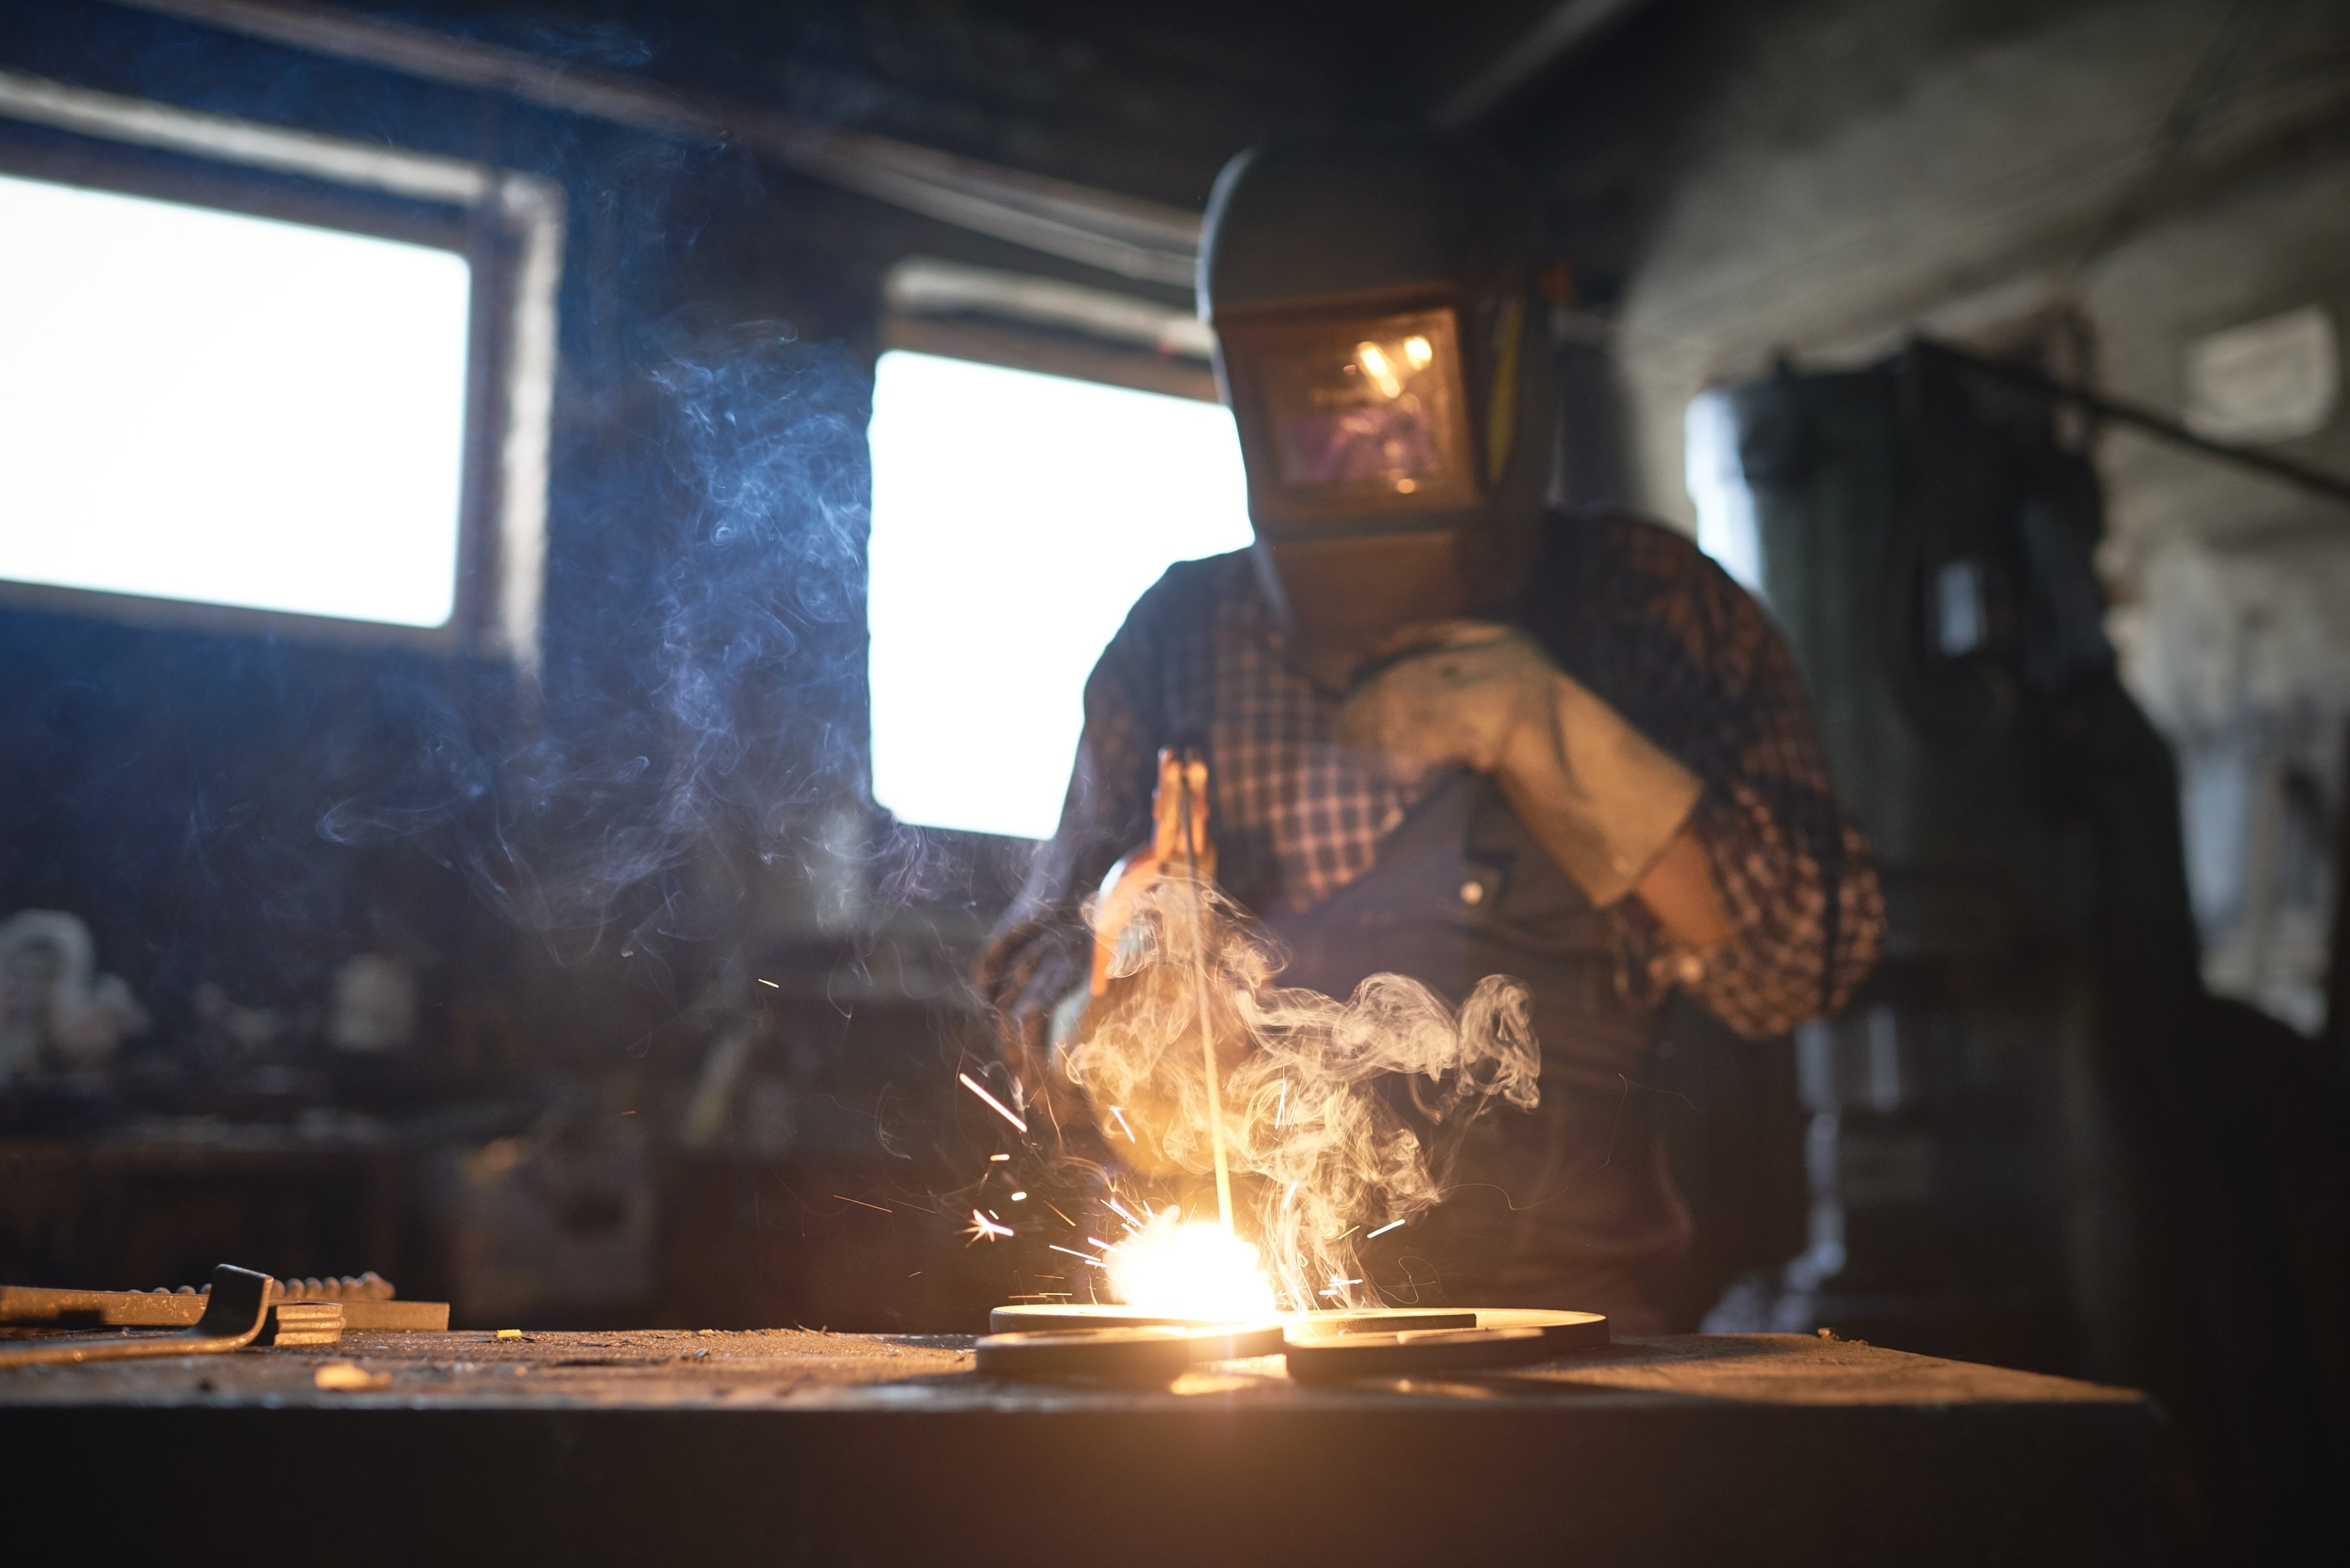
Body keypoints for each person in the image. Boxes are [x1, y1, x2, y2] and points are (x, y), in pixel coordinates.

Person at [978, 131, 1883, 1327]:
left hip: (1572, 1337)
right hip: (1238, 1336)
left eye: (1400, 398)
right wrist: (1101, 1014)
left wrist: (1552, 728)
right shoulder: (1177, 636)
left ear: (1502, 360)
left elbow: (1806, 966)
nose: (1358, 435)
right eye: (1316, 401)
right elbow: (1034, 975)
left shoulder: (1651, 609)